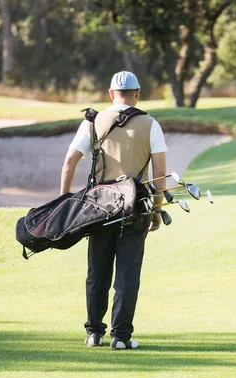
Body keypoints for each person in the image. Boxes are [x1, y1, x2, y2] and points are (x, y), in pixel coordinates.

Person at [60, 71, 167, 350]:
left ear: (110, 94)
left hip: (98, 209)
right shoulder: (150, 124)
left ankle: (94, 333)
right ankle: (121, 337)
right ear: (138, 93)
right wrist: (156, 211)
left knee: (97, 272)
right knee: (127, 275)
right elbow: (160, 174)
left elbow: (69, 163)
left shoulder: (93, 122)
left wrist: (65, 206)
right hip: (136, 209)